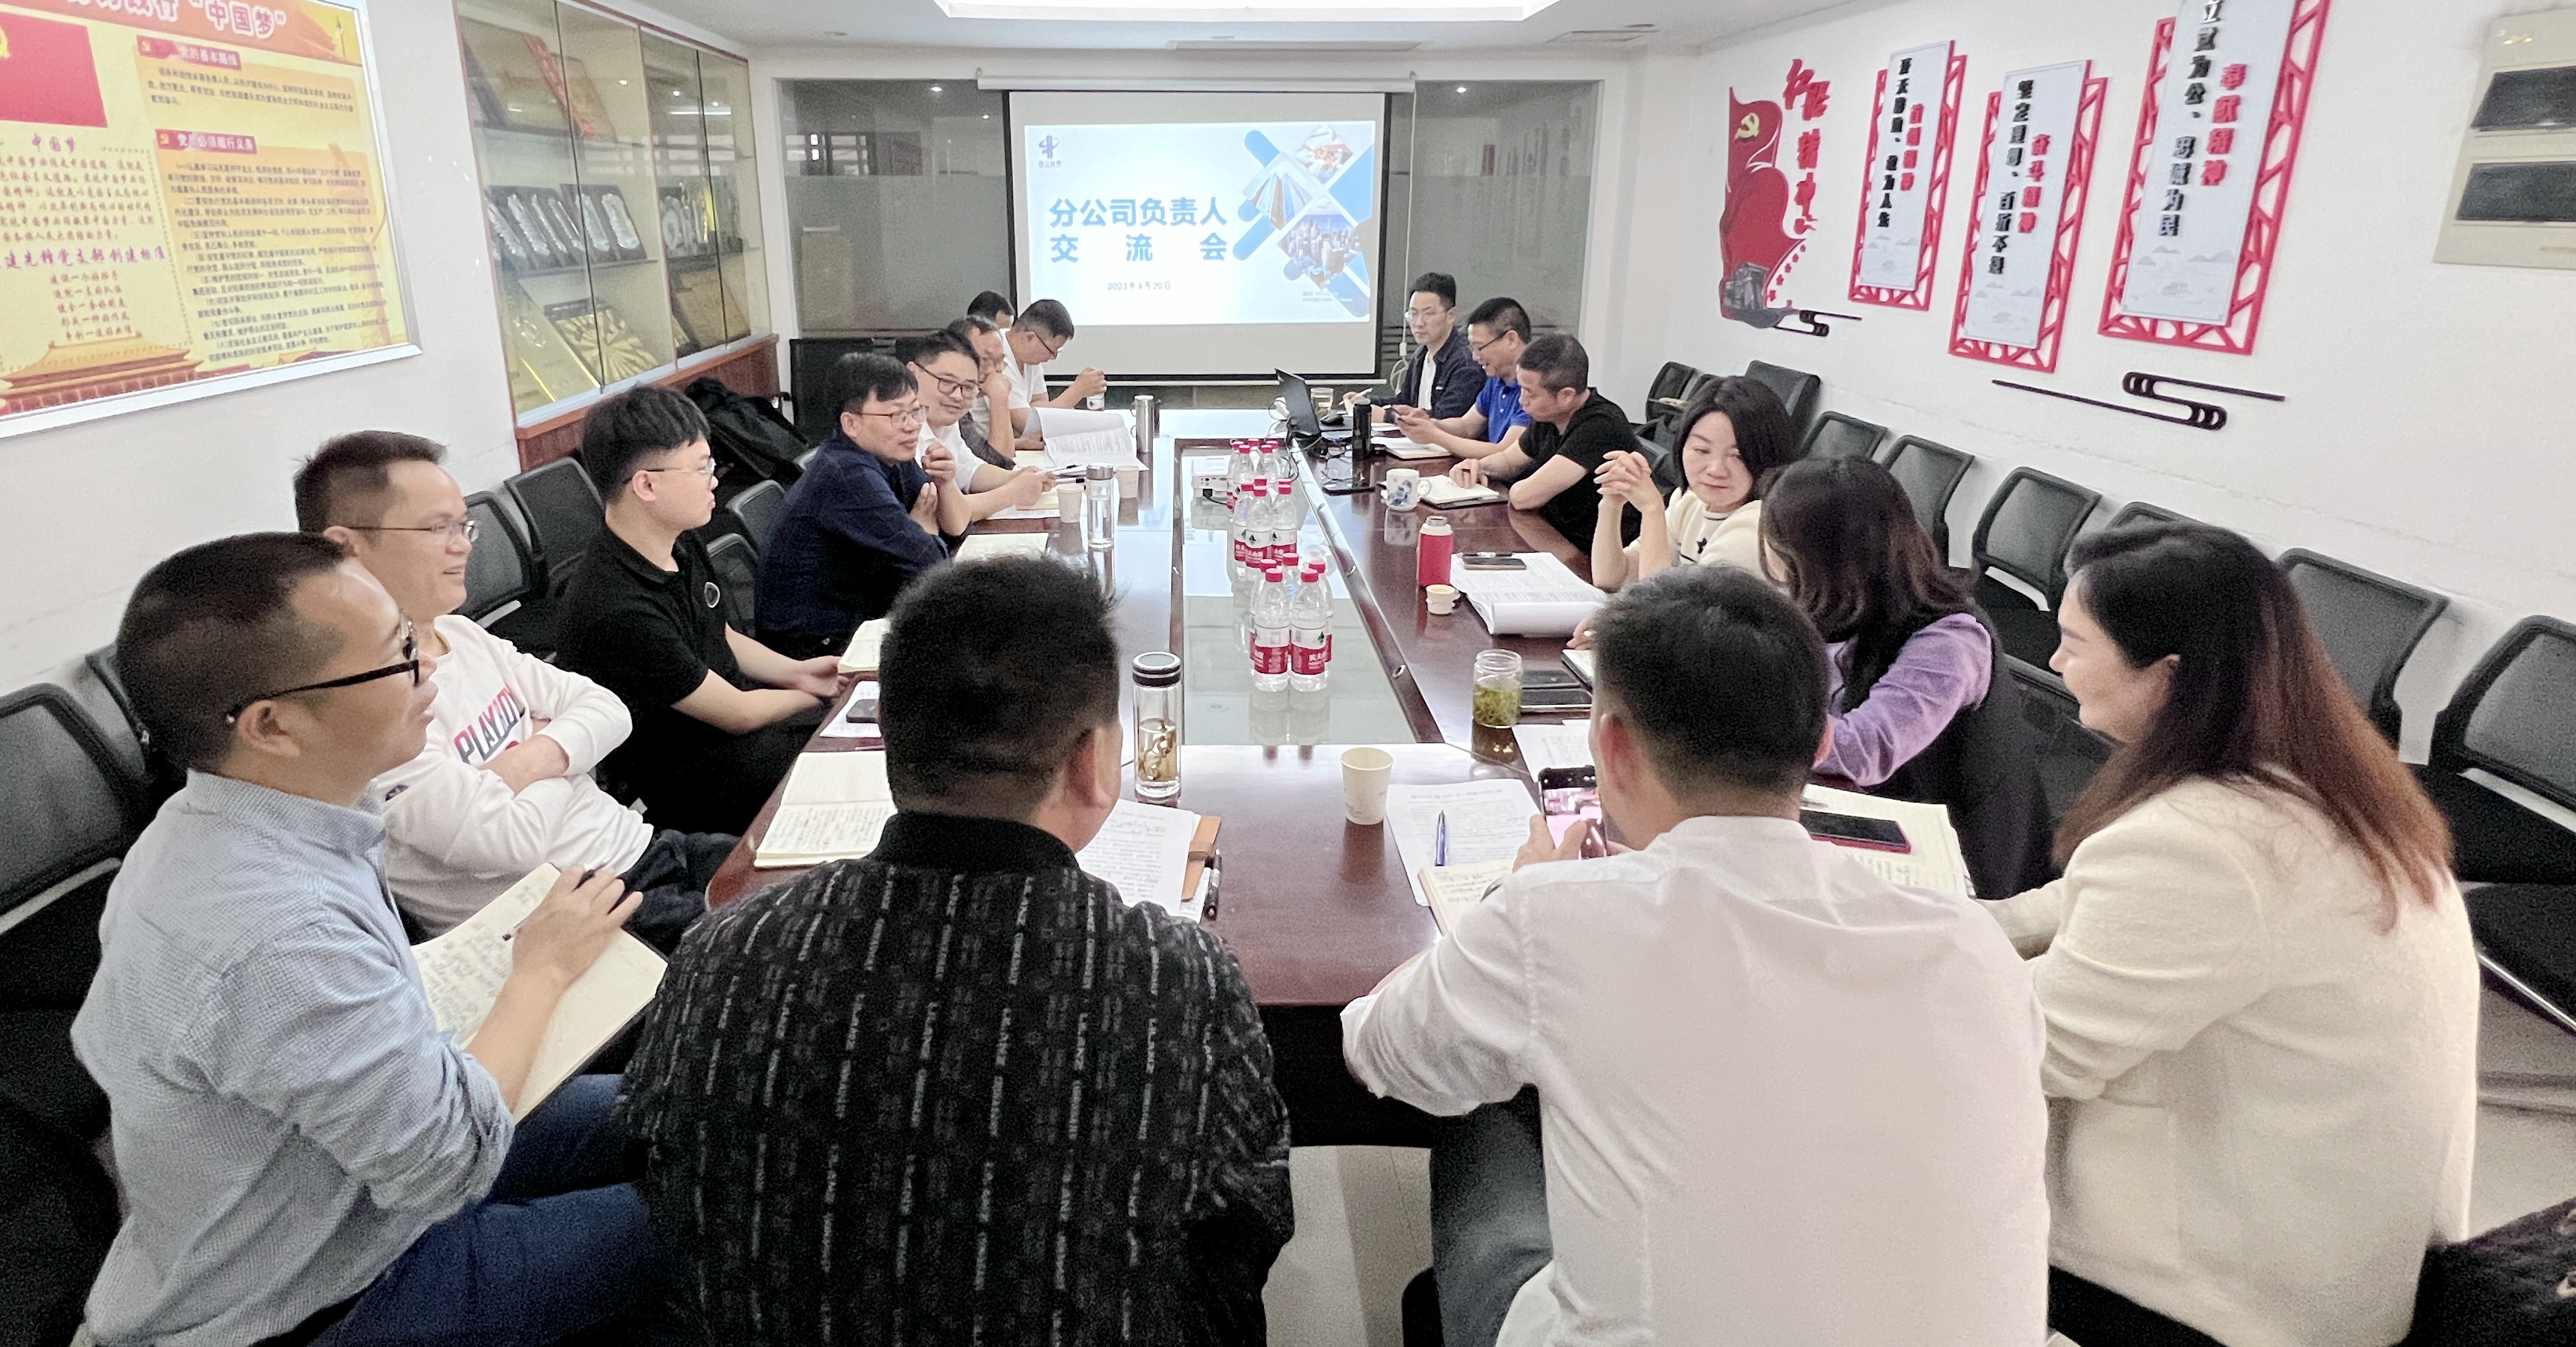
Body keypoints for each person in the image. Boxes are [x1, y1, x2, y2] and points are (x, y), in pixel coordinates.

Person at [1343, 565, 2049, 1347]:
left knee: (1483, 1091)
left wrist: (1506, 902)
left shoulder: (1554, 919)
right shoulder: (1973, 949)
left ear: (1613, 746)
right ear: (1821, 739)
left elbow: (1378, 1049)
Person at [618, 556, 1294, 1343]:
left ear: (885, 734)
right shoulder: (1176, 980)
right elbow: (1250, 1225)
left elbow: (660, 1175)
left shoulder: (721, 954)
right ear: (1094, 762)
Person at [73, 532, 662, 1345]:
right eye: (397, 658)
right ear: (273, 725)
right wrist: (540, 971)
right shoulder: (276, 935)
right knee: (719, 1210)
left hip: (362, 1178)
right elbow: (450, 1164)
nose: (430, 675)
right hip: (331, 1283)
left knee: (686, 1101)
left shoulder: (227, 816)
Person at [1984, 521, 2478, 1347]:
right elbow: (2082, 902)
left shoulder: (2207, 844)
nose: (2058, 660)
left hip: (2238, 1293)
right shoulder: (2315, 778)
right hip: (2337, 1247)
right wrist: (1944, 922)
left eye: (2076, 641)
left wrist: (1892, 975)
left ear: (2170, 676)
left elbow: (2041, 1050)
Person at [293, 432, 731, 947]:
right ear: (346, 547)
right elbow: (512, 840)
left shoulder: (461, 633)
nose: (463, 545)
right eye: (436, 528)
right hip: (579, 921)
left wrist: (524, 762)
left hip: (645, 848)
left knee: (807, 870)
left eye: (463, 526)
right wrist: (565, 749)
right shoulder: (366, 707)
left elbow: (609, 709)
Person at [555, 386, 844, 836]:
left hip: (741, 735)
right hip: (699, 781)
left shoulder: (678, 540)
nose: (715, 479)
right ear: (646, 485)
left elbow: (720, 633)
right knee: (845, 754)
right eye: (702, 467)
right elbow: (738, 713)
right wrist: (821, 696)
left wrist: (799, 672)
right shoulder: (615, 608)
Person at [1762, 456, 2053, 899]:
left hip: (1957, 862)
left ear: (1818, 561)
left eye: (1780, 547)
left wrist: (1746, 711)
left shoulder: (1949, 640)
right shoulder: (1831, 605)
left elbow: (1863, 749)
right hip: (1865, 812)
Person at [752, 352, 953, 659]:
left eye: (916, 411)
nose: (912, 426)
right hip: (817, 647)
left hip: (862, 617)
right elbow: (931, 562)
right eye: (896, 415)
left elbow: (951, 530)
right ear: (851, 423)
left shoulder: (889, 453)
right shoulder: (847, 474)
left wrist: (943, 492)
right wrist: (923, 530)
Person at [1589, 375, 1801, 590]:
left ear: (1768, 455)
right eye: (1702, 450)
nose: (1716, 469)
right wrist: (1611, 505)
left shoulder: (1756, 526)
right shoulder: (1690, 502)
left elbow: (1659, 604)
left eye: (1738, 455)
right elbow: (1611, 579)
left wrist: (1652, 510)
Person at [1444, 334, 1639, 551]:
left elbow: (1525, 497)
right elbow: (1509, 461)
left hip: (1588, 550)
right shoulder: (1549, 415)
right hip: (1552, 534)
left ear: (1566, 396)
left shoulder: (1601, 425)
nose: (1521, 400)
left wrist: (1512, 486)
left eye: (1529, 392)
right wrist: (1478, 466)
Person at [901, 329, 1052, 531]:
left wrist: (1018, 477)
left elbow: (970, 469)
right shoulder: (901, 431)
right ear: (913, 373)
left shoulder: (945, 419)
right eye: (947, 382)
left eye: (968, 387)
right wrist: (1013, 492)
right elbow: (944, 511)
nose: (957, 396)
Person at [1388, 296, 1534, 460]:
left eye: (1479, 347)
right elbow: (1466, 426)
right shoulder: (1496, 380)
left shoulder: (1534, 388)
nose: (1474, 357)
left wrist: (1434, 435)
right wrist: (1430, 422)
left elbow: (1505, 453)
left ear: (1511, 340)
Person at [1003, 297, 1107, 449]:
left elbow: (1040, 406)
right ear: (1030, 337)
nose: (1054, 357)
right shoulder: (998, 357)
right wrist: (1078, 391)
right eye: (1052, 350)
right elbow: (1030, 426)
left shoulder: (1029, 358)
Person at [953, 313, 1020, 458]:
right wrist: (1000, 399)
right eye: (985, 360)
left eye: (999, 362)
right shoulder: (951, 401)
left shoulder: (975, 395)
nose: (995, 372)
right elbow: (1000, 461)